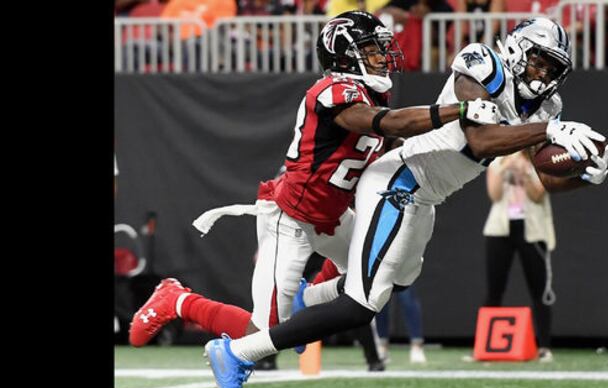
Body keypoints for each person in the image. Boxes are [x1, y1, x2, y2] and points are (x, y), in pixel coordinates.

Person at [203, 16, 608, 388]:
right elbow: (480, 138)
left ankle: (305, 297)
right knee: (363, 304)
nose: (542, 73)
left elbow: (545, 179)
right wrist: (547, 132)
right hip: (397, 182)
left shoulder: (547, 106)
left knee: (402, 280)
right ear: (519, 50)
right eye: (539, 60)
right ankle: (237, 352)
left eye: (552, 67)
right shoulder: (482, 63)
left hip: (427, 197)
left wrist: (585, 175)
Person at [128, 11, 497, 367]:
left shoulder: (372, 92)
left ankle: (307, 299)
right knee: (265, 334)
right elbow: (385, 124)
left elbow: (387, 142)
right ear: (346, 55)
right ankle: (177, 300)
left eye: (381, 48)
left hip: (333, 216)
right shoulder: (333, 91)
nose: (383, 57)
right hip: (293, 218)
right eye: (372, 49)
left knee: (381, 271)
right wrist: (456, 109)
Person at [482, 150, 557, 362]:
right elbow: (494, 194)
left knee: (539, 290)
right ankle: (486, 344)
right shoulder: (497, 161)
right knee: (494, 289)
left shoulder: (540, 162)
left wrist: (524, 174)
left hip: (533, 230)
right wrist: (506, 168)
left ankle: (544, 346)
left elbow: (538, 194)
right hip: (500, 228)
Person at [375, 285, 427, 363]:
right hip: (380, 273)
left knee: (407, 297)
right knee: (381, 300)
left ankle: (417, 346)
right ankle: (383, 347)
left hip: (402, 273)